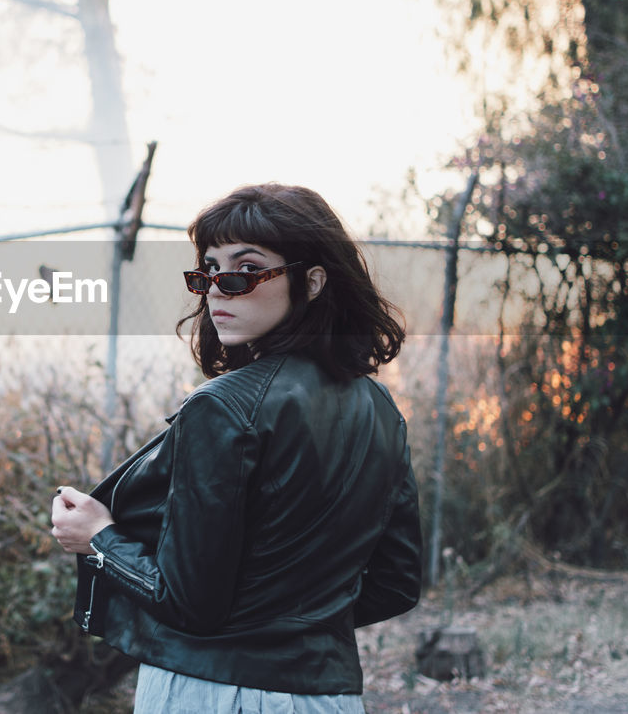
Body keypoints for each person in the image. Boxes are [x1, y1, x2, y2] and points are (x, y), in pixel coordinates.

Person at [50, 183, 422, 713]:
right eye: (207, 271)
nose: (217, 290)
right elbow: (397, 584)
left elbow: (187, 605)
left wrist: (99, 538)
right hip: (329, 698)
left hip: (212, 694)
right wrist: (295, 628)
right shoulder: (381, 409)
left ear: (312, 281)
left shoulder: (221, 408)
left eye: (244, 271)